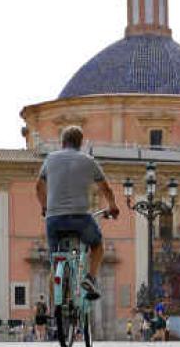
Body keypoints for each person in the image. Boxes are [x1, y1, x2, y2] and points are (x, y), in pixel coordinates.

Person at [35, 125, 120, 299]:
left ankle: (56, 313)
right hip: (80, 219)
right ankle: (90, 278)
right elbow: (106, 189)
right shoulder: (88, 160)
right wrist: (113, 206)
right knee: (97, 246)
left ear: (62, 142)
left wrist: (44, 206)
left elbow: (38, 186)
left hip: (54, 220)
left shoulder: (50, 159)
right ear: (80, 143)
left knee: (55, 264)